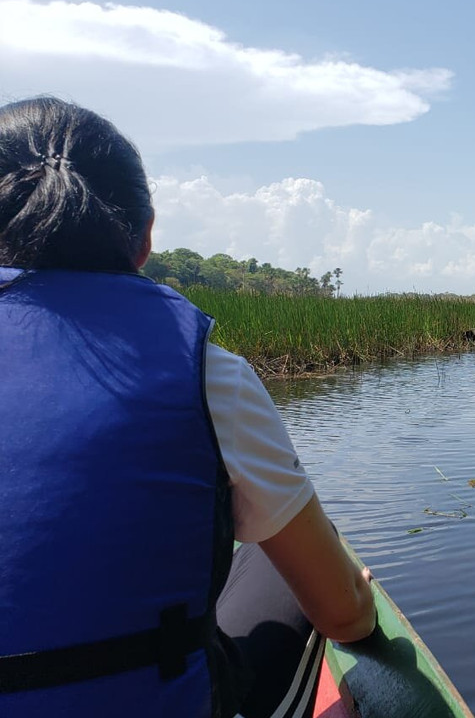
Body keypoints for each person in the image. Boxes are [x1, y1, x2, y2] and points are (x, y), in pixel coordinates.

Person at [0, 97, 376, 718]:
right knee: (291, 556)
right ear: (145, 237)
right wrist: (354, 603)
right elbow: (342, 616)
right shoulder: (209, 374)